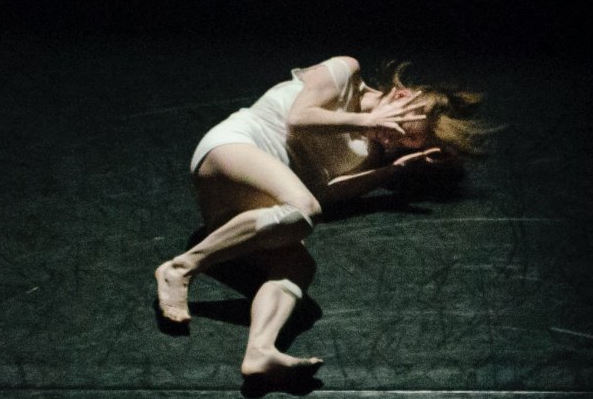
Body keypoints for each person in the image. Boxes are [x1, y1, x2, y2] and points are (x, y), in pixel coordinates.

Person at [153, 56, 489, 382]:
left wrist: (390, 171)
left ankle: (260, 351)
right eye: (400, 128)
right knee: (303, 209)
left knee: (299, 266)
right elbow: (299, 118)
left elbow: (323, 195)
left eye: (405, 142)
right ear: (401, 97)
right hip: (230, 148)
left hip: (235, 207)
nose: (393, 140)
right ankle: (182, 267)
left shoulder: (369, 152)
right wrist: (367, 122)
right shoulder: (345, 73)